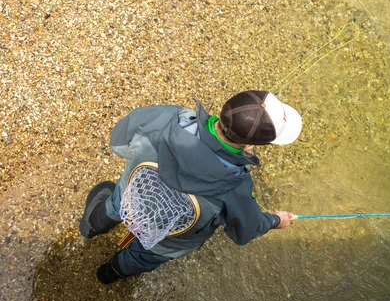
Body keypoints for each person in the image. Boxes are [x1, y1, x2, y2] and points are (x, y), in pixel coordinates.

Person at [79, 90, 302, 284]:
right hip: (171, 238)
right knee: (147, 255)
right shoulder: (236, 188)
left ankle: (91, 227)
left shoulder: (167, 118)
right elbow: (245, 230)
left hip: (131, 196)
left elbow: (119, 143)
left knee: (114, 204)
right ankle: (109, 274)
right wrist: (275, 220)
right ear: (251, 145)